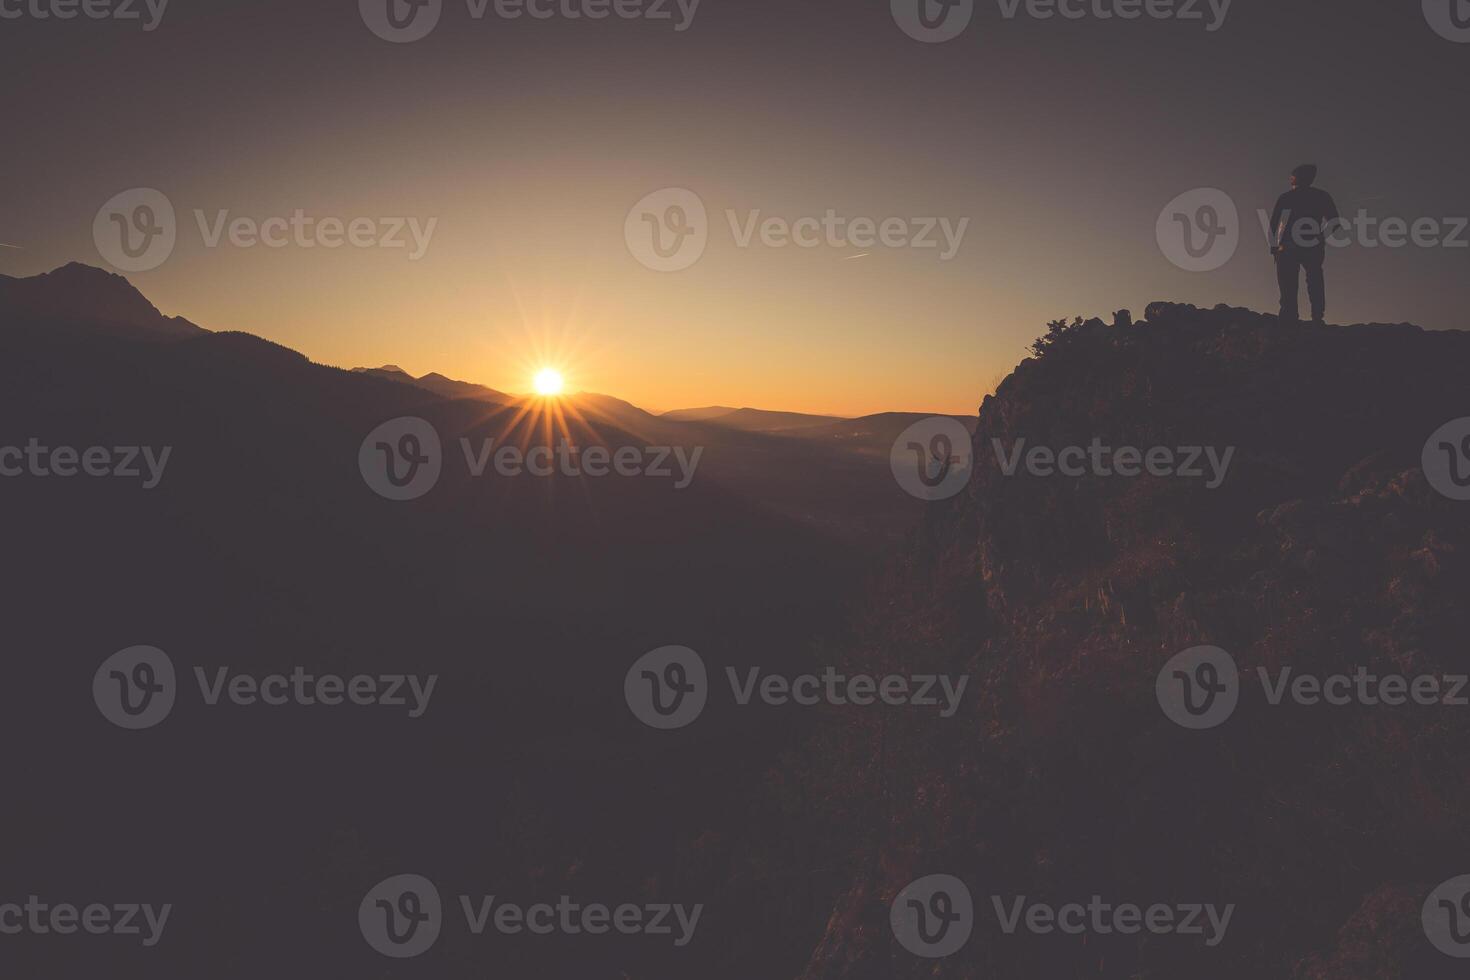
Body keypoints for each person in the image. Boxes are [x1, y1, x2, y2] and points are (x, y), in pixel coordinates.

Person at [1269, 164, 1340, 324]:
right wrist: (1321, 237)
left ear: (1295, 178)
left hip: (1288, 247)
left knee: (1291, 282)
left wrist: (1274, 247)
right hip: (1308, 245)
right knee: (1312, 279)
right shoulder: (1320, 196)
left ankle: (1290, 315)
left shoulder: (1287, 198)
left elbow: (1276, 224)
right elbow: (1335, 222)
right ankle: (1315, 316)